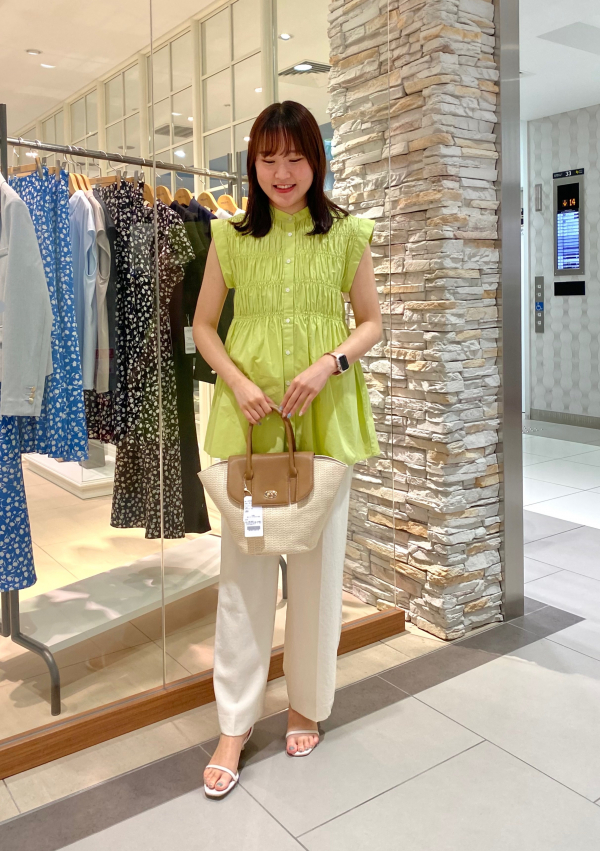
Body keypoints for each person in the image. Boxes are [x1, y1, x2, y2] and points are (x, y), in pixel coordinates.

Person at [193, 100, 382, 799]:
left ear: (315, 161)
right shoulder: (230, 236)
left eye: (295, 157)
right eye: (268, 158)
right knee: (242, 581)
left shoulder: (348, 234)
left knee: (316, 577)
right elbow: (204, 325)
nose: (281, 172)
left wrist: (329, 364)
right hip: (250, 426)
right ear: (252, 164)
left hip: (322, 422)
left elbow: (371, 323)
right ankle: (234, 724)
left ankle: (307, 704)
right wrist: (236, 381)